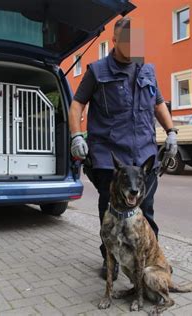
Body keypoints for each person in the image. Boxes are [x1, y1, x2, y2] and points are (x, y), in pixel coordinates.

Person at [68, 17, 178, 280]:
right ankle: (112, 262)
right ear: (115, 42)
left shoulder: (147, 70)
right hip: (110, 159)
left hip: (144, 158)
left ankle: (151, 261)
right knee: (110, 212)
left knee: (146, 211)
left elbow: (158, 104)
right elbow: (77, 105)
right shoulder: (97, 71)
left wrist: (172, 132)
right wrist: (77, 136)